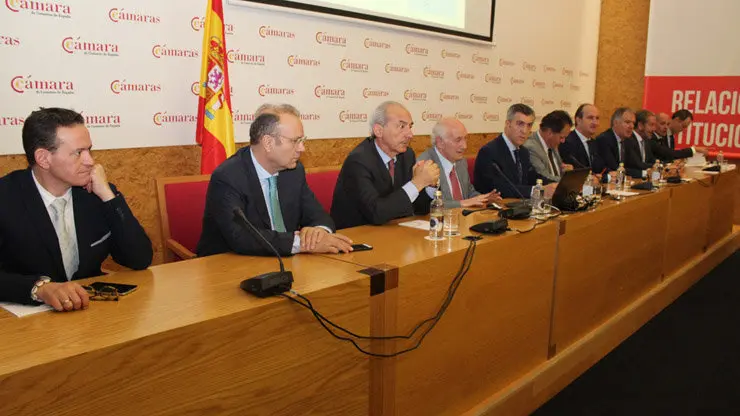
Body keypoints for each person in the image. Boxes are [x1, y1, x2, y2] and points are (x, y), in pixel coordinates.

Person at [0, 108, 152, 310]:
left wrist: (108, 197)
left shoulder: (95, 193)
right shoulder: (6, 197)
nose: (90, 161)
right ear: (44, 158)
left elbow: (139, 258)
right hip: (23, 320)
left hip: (88, 313)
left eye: (89, 150)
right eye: (78, 153)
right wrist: (39, 289)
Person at [197, 105, 352, 257]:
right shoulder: (228, 177)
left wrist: (318, 232)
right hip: (228, 265)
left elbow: (318, 214)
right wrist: (301, 243)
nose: (302, 148)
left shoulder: (294, 171)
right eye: (295, 141)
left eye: (302, 140)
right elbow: (241, 236)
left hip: (284, 263)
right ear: (268, 143)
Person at [331, 101, 439, 229]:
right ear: (378, 130)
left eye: (410, 126)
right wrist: (417, 183)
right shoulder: (358, 161)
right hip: (356, 236)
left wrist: (429, 185)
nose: (410, 134)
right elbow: (376, 213)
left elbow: (418, 208)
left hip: (392, 231)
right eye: (402, 127)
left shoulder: (406, 155)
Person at [474, 103, 557, 199]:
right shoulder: (489, 152)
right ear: (508, 124)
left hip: (520, 207)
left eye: (529, 125)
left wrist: (556, 185)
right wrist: (537, 191)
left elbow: (532, 177)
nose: (525, 131)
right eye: (520, 124)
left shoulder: (523, 151)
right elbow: (499, 189)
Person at [417, 118, 501, 208]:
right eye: (458, 140)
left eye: (465, 139)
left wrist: (484, 199)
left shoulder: (461, 161)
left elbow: (469, 192)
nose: (464, 146)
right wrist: (462, 203)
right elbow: (428, 205)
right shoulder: (425, 165)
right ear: (440, 142)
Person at [523, 110, 574, 182]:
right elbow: (544, 178)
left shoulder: (552, 143)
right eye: (561, 137)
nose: (563, 141)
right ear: (550, 133)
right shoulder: (531, 147)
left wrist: (568, 173)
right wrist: (570, 180)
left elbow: (556, 173)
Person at [593, 107, 645, 178]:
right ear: (615, 123)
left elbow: (635, 165)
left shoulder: (628, 141)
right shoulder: (604, 139)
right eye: (627, 122)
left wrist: (646, 172)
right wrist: (643, 173)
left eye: (633, 123)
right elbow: (615, 169)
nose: (631, 126)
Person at [559, 103, 601, 170]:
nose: (595, 122)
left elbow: (600, 168)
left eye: (597, 118)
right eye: (590, 118)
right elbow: (576, 170)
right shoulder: (566, 142)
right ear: (578, 120)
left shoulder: (595, 143)